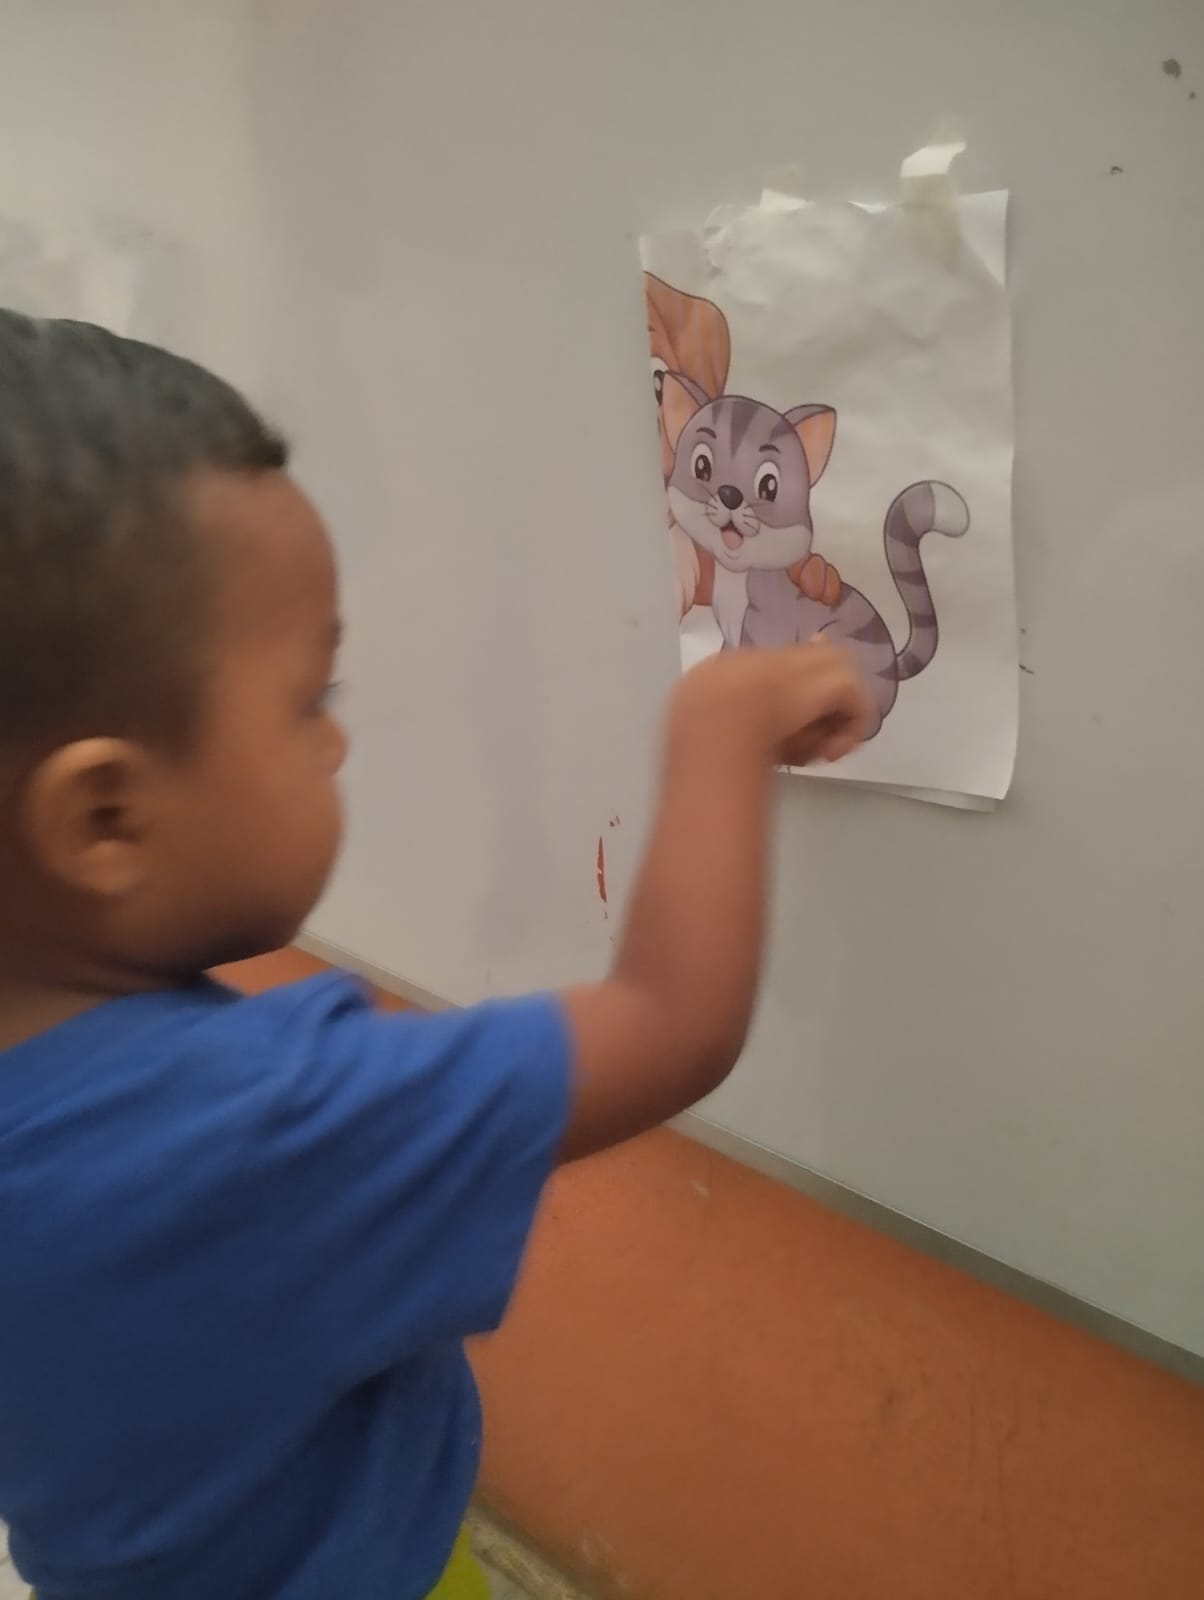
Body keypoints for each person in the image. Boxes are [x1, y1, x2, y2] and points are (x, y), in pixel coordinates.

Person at [0, 310, 871, 1600]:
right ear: (105, 821)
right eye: (311, 702)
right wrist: (721, 728)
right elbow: (670, 1019)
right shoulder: (254, 1126)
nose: (338, 741)